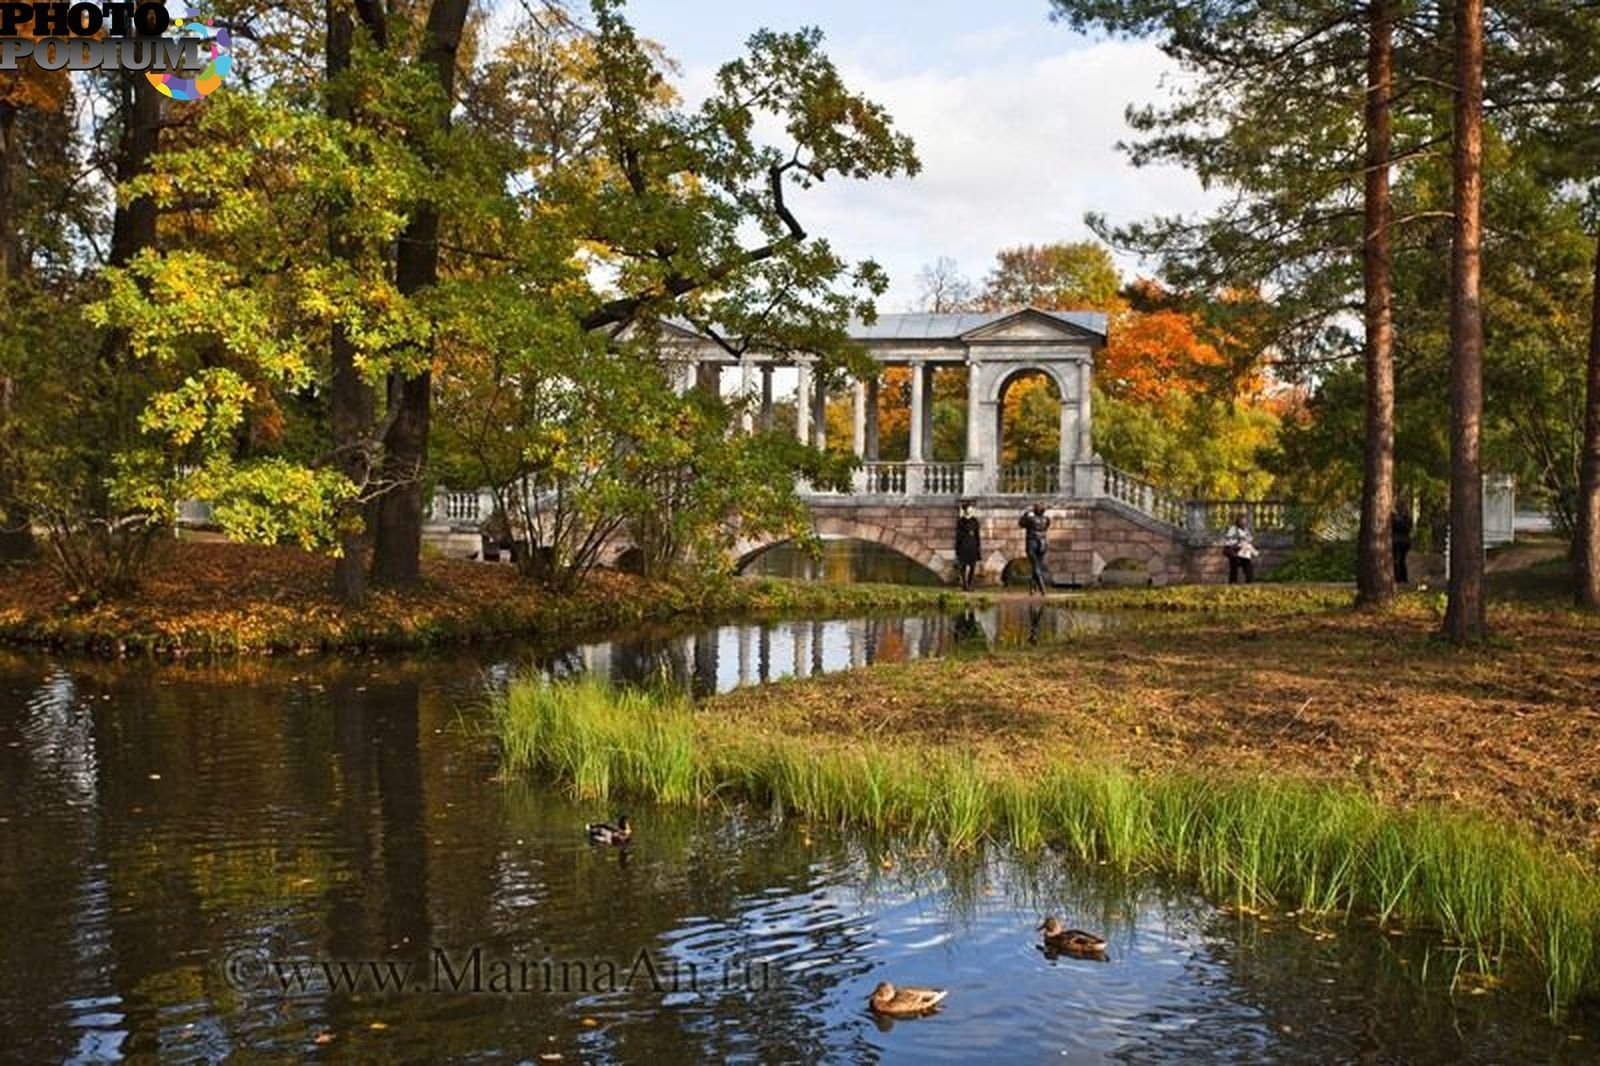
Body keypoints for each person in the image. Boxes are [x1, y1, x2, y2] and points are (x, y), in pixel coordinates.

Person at [1019, 503, 1052, 595]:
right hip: (1043, 544)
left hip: (1032, 543)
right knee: (1037, 566)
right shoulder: (1047, 519)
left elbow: (1021, 523)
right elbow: (1046, 526)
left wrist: (1026, 513)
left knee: (1036, 566)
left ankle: (1042, 588)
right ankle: (1032, 588)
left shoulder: (1031, 520)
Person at [1221, 512, 1257, 585]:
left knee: (1249, 568)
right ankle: (1232, 583)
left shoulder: (1246, 530)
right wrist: (1238, 543)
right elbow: (1228, 541)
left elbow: (1249, 539)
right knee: (1234, 569)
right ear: (1238, 521)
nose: (1244, 522)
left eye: (1245, 521)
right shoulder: (1232, 529)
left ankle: (1249, 583)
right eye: (1242, 520)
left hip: (1244, 553)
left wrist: (1250, 547)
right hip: (1234, 553)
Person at [954, 503, 982, 591]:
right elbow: (958, 535)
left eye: (970, 509)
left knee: (972, 566)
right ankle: (964, 585)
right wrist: (957, 548)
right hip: (963, 545)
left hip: (972, 545)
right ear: (964, 510)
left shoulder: (974, 520)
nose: (969, 511)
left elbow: (977, 535)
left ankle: (969, 584)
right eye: (968, 509)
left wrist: (978, 546)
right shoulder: (961, 521)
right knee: (963, 566)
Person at [1390, 506, 1413, 584]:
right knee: (1401, 560)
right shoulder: (1407, 519)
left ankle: (1398, 577)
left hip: (1397, 541)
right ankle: (1402, 578)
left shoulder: (1397, 519)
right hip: (1404, 542)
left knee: (1397, 560)